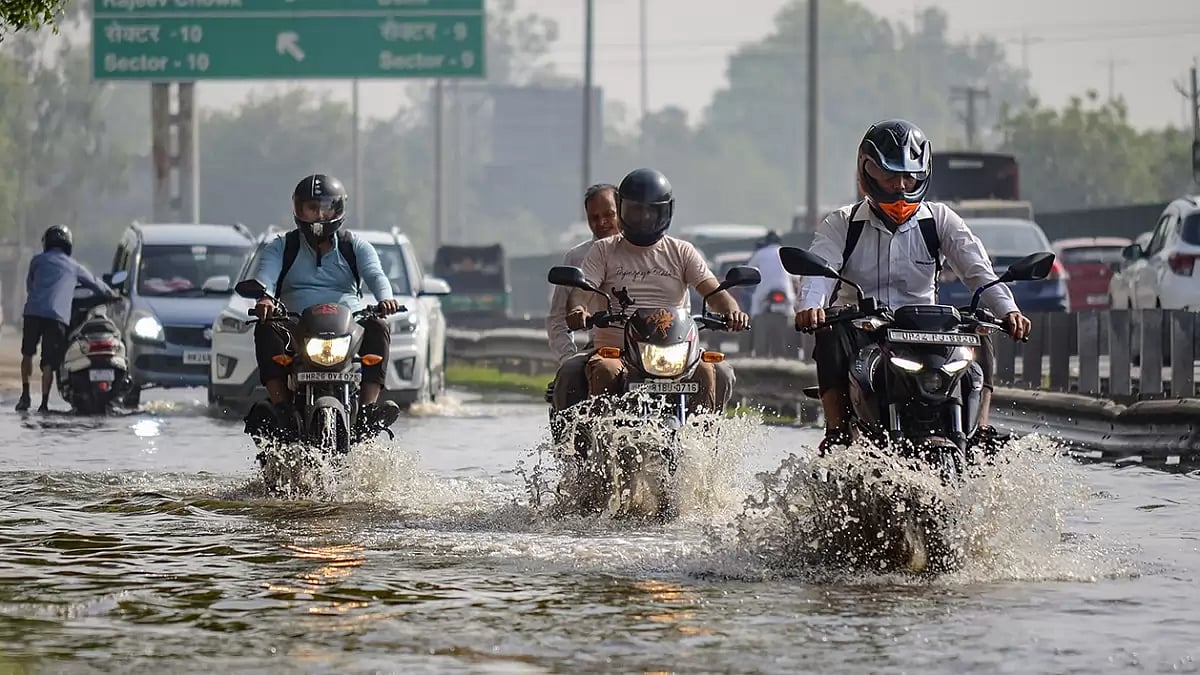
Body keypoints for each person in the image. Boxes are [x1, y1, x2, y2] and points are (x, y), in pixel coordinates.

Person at [794, 119, 1032, 452]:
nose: (901, 186)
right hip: (863, 329)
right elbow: (818, 272)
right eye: (891, 176)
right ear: (867, 173)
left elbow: (979, 271)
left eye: (909, 176)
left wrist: (1009, 311)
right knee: (830, 331)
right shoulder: (842, 223)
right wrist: (810, 308)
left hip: (927, 333)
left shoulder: (940, 219)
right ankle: (836, 431)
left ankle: (979, 429)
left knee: (979, 329)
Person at [568, 168, 750, 413]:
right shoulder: (603, 251)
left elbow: (715, 293)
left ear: (667, 211)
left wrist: (732, 311)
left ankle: (705, 440)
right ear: (622, 209)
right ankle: (604, 438)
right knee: (604, 370)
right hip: (618, 354)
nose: (644, 218)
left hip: (677, 354)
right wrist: (578, 309)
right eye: (636, 210)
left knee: (715, 370)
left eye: (651, 211)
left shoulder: (682, 251)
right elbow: (583, 290)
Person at [250, 174, 403, 430]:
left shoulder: (355, 246)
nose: (319, 215)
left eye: (325, 207)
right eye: (311, 208)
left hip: (349, 325)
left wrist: (385, 299)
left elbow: (376, 275)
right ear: (298, 209)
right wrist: (265, 298)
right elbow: (266, 275)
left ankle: (367, 410)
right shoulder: (281, 246)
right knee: (264, 328)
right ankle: (281, 409)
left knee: (379, 325)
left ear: (338, 209)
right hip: (295, 325)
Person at [17, 225, 118, 412]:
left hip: (33, 312)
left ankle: (25, 396)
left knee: (27, 354)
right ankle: (44, 404)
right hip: (57, 316)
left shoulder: (37, 261)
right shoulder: (73, 266)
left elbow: (30, 286)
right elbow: (95, 284)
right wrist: (112, 294)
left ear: (46, 243)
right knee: (48, 362)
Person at [546, 183, 621, 413]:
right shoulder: (578, 257)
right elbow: (559, 319)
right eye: (594, 217)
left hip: (650, 347)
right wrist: (568, 358)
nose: (602, 223)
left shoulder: (650, 251)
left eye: (609, 215)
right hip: (600, 345)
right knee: (569, 380)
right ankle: (577, 445)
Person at [745, 230, 794, 317]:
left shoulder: (760, 253)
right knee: (791, 308)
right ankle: (793, 327)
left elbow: (749, 269)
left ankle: (752, 327)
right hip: (785, 288)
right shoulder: (787, 253)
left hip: (765, 289)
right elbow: (795, 274)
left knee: (755, 302)